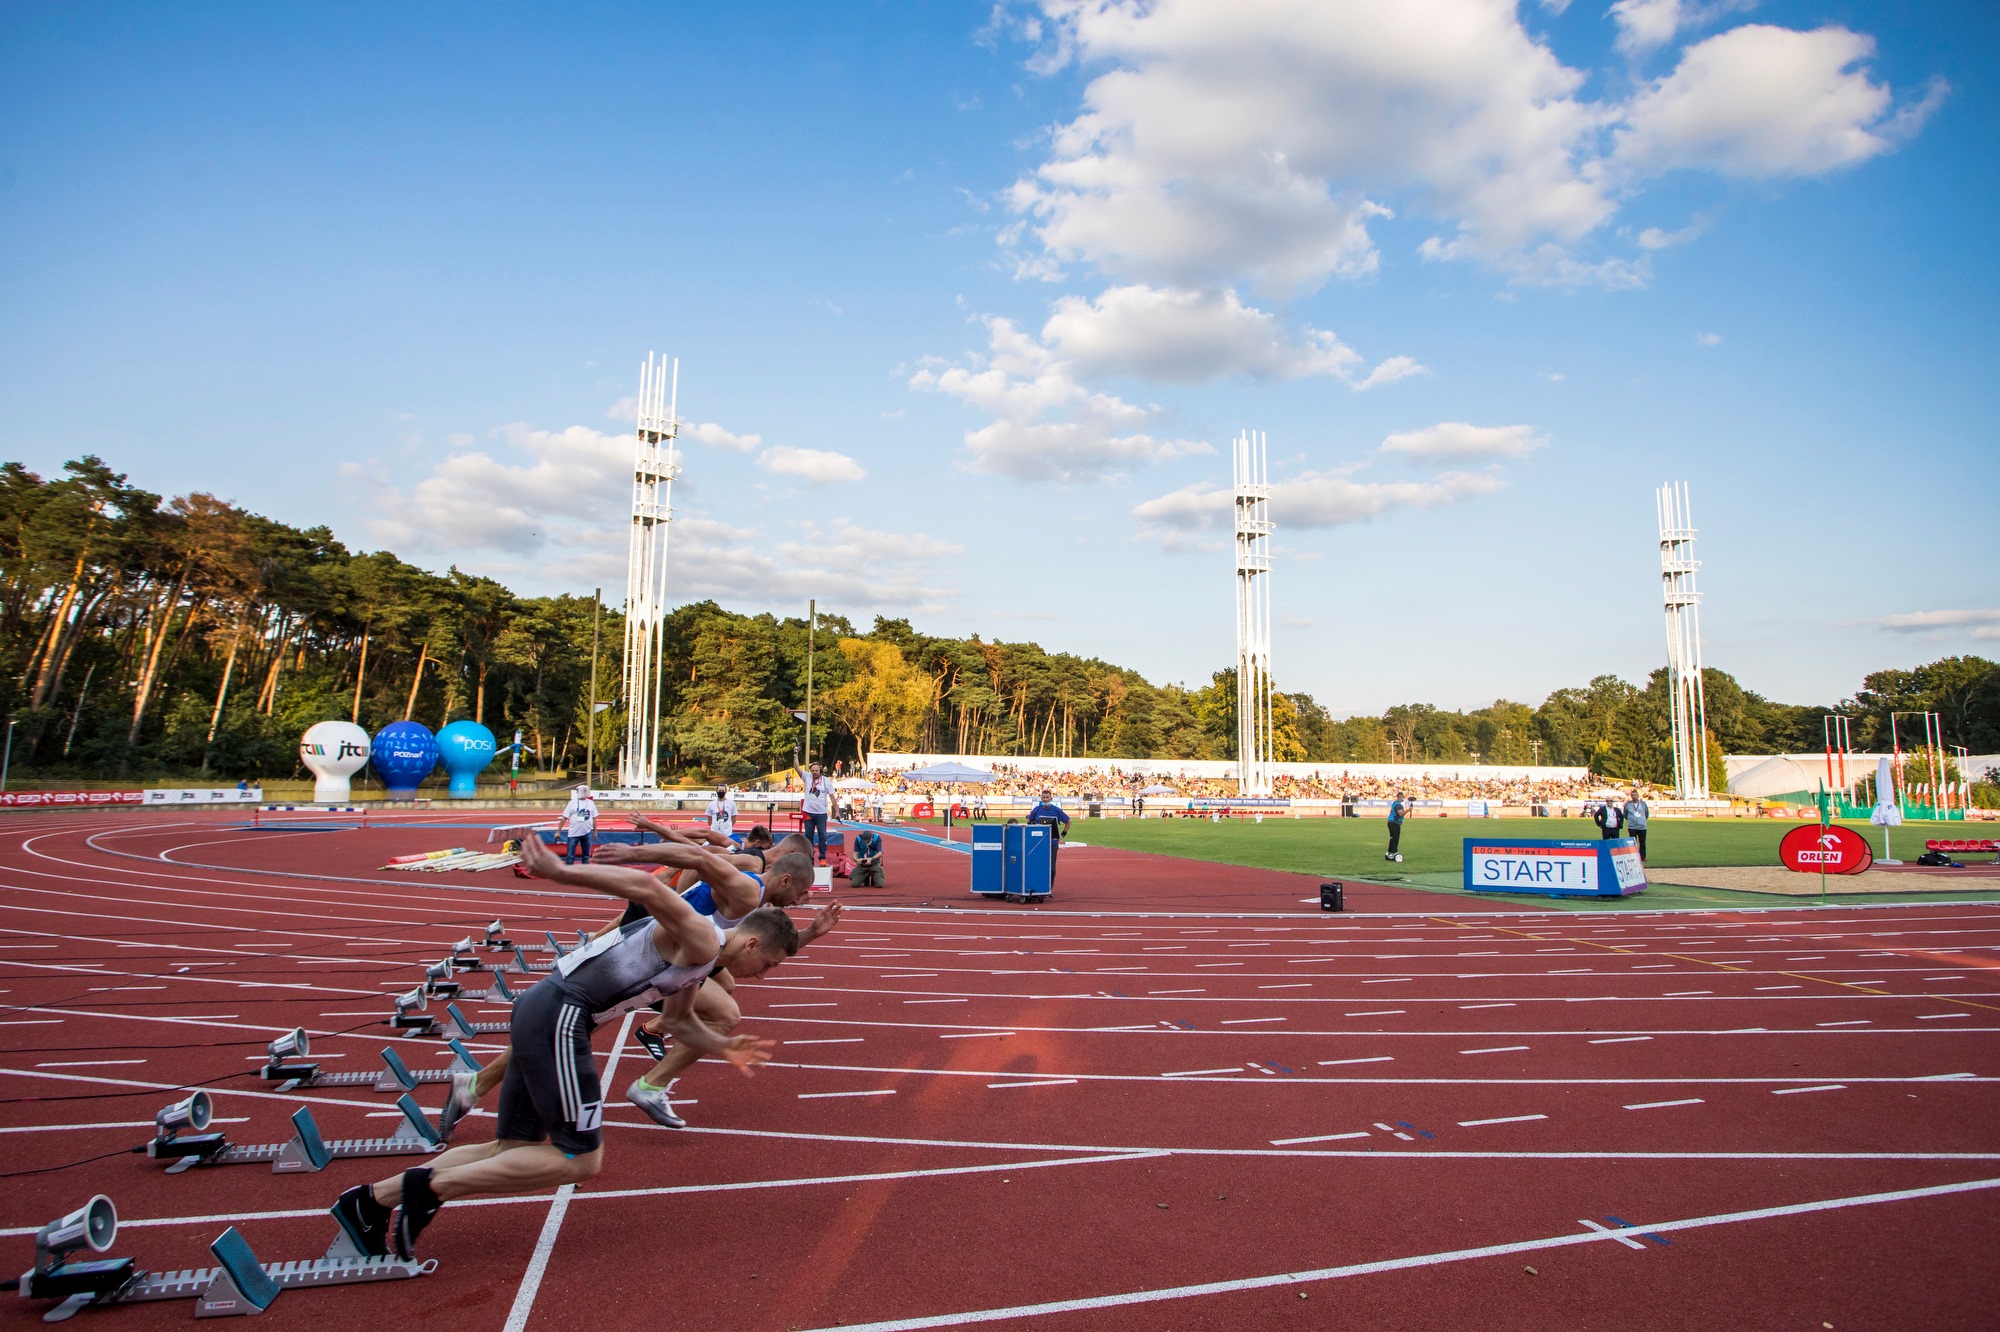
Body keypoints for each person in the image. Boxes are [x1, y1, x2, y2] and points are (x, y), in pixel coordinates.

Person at [331, 835, 791, 1260]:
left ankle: (369, 1202)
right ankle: (429, 1188)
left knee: (509, 1148)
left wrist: (723, 1046)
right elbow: (644, 889)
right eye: (767, 964)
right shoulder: (701, 938)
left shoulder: (700, 963)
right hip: (562, 1016)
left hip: (544, 1010)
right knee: (580, 1159)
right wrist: (560, 871)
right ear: (751, 942)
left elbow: (676, 1021)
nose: (763, 975)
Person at [588, 835, 835, 1127]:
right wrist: (632, 852)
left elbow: (772, 948)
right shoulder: (747, 886)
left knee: (721, 1001)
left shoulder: (762, 906)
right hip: (658, 951)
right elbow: (700, 856)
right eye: (801, 892)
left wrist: (812, 932)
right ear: (784, 880)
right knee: (585, 1015)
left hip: (681, 957)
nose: (801, 899)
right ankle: (648, 1083)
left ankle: (650, 1079)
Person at [1025, 788, 1071, 884]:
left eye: (1047, 797)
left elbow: (1068, 821)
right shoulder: (1036, 810)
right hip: (1038, 843)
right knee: (1037, 864)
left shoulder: (1056, 810)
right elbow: (1029, 821)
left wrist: (1062, 834)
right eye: (1043, 797)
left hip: (1052, 843)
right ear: (1041, 798)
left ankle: (1049, 887)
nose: (1045, 799)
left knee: (1051, 866)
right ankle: (1037, 884)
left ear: (1051, 798)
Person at [799, 761, 833, 861]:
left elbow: (832, 796)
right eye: (813, 771)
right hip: (808, 812)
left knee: (822, 835)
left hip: (821, 813)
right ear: (810, 771)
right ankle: (809, 857)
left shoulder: (826, 781)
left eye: (817, 771)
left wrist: (837, 811)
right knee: (808, 836)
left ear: (820, 771)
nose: (815, 772)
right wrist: (795, 754)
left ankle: (822, 857)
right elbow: (797, 767)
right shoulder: (807, 777)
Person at [559, 783, 597, 864]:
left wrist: (595, 832)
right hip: (573, 833)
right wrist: (558, 831)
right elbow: (564, 818)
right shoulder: (572, 803)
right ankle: (569, 874)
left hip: (587, 832)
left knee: (586, 857)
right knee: (570, 856)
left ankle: (584, 874)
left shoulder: (591, 803)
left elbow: (594, 818)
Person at [1623, 788, 1650, 859]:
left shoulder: (1643, 804)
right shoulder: (1628, 805)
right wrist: (1630, 820)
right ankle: (1633, 856)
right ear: (1631, 796)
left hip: (1642, 826)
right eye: (1632, 795)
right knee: (1632, 843)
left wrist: (1642, 820)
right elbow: (1625, 814)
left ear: (1638, 795)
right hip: (1632, 827)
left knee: (1642, 842)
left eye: (1635, 795)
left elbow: (1646, 814)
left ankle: (1643, 857)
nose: (1634, 796)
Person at [1385, 791, 1408, 862]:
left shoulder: (1394, 803)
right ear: (1400, 796)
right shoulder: (1398, 805)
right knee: (1395, 838)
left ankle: (1390, 851)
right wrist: (1409, 810)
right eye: (1403, 796)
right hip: (1394, 823)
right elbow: (1400, 814)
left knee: (1392, 838)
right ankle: (1394, 851)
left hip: (1391, 822)